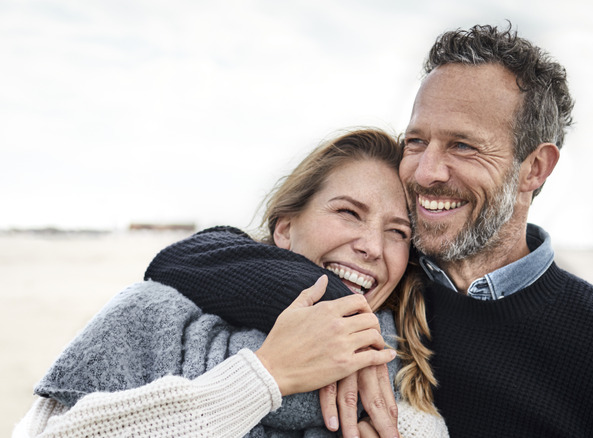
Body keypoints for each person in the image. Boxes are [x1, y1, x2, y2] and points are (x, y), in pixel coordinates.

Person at [149, 24, 593, 437]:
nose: (425, 172)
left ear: (534, 168)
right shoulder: (384, 278)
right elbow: (185, 259)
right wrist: (342, 313)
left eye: (463, 147)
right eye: (417, 140)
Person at [13, 129, 448, 437]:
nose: (372, 246)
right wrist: (264, 377)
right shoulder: (153, 311)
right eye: (348, 213)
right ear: (284, 228)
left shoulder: (402, 382)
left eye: (398, 232)